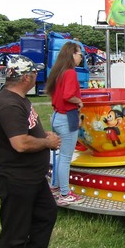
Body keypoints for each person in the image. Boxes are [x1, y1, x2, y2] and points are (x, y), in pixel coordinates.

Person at [0, 55, 61, 248]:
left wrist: (44, 135)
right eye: (35, 74)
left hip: (31, 177)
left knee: (46, 214)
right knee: (16, 228)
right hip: (16, 178)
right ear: (27, 77)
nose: (36, 77)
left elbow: (26, 131)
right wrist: (47, 143)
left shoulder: (19, 99)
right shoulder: (9, 104)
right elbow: (19, 143)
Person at [45, 41, 84, 206]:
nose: (81, 57)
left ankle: (55, 186)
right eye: (79, 54)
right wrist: (79, 102)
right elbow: (68, 95)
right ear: (72, 55)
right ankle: (65, 194)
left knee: (60, 156)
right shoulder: (70, 73)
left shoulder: (58, 72)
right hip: (67, 116)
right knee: (66, 157)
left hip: (57, 116)